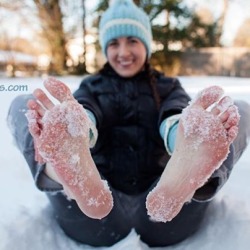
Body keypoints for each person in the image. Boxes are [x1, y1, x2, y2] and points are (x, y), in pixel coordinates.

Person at [7, 0, 250, 247]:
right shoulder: (91, 87)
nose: (123, 52)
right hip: (92, 209)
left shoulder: (168, 87)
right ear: (105, 48)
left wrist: (184, 137)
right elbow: (87, 112)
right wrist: (79, 127)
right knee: (23, 105)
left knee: (236, 111)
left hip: (164, 208)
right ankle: (58, 171)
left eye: (132, 41)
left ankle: (193, 178)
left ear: (146, 43)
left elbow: (173, 117)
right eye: (114, 43)